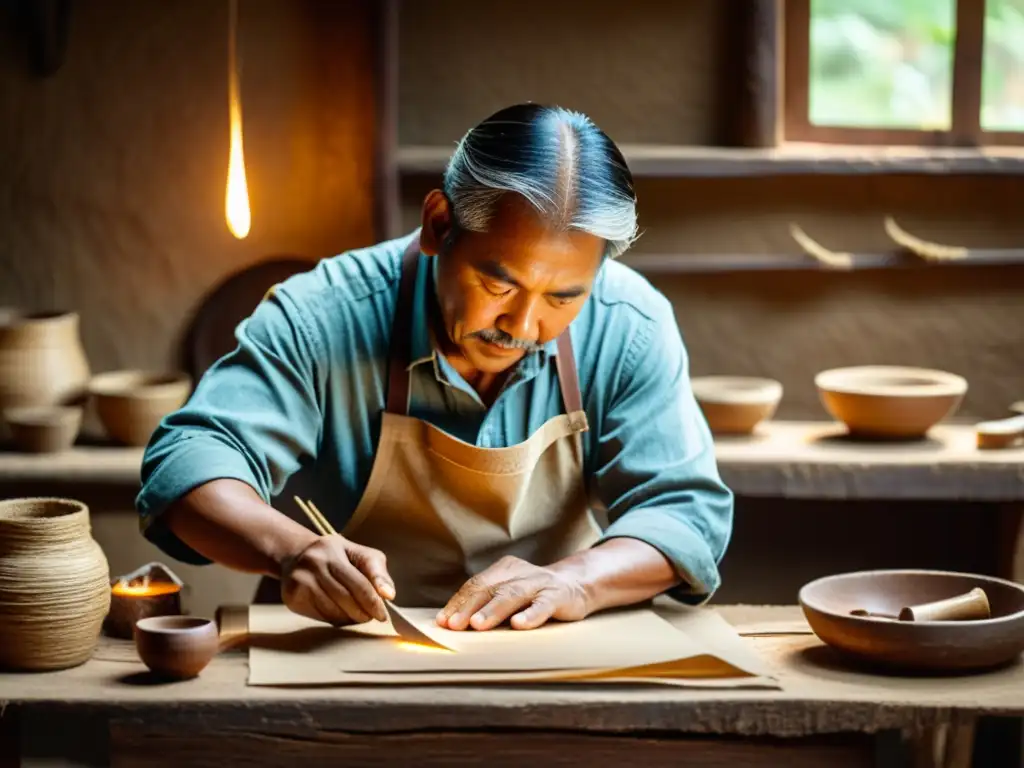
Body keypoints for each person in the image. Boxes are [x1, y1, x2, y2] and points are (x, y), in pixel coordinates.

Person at [136, 103, 734, 633]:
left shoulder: (630, 323)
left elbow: (685, 513)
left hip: (550, 648)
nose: (523, 327)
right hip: (346, 649)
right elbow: (187, 464)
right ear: (438, 224)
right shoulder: (322, 313)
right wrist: (290, 550)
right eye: (497, 284)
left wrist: (578, 580)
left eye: (562, 298)